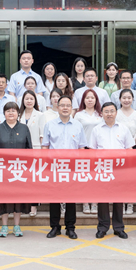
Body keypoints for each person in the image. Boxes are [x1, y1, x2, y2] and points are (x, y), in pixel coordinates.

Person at [42, 95, 87, 239]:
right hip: (55, 167)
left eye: (68, 105)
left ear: (72, 108)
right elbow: (45, 147)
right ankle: (55, 227)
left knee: (71, 199)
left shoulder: (78, 125)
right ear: (57, 107)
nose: (65, 108)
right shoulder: (50, 125)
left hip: (72, 167)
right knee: (54, 198)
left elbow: (82, 148)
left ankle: (70, 227)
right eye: (62, 105)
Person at [89, 102, 132, 239]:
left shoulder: (123, 129)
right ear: (101, 113)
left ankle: (119, 228)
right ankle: (103, 227)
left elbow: (129, 149)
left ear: (116, 113)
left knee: (119, 199)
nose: (109, 114)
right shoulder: (96, 130)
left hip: (120, 168)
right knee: (103, 199)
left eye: (112, 111)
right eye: (106, 111)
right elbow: (92, 150)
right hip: (103, 168)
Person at [0, 102, 32, 237]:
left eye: (14, 110)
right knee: (4, 198)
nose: (11, 113)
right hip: (3, 170)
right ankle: (4, 226)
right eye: (8, 111)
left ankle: (17, 226)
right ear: (4, 113)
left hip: (19, 170)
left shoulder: (24, 128)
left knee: (18, 198)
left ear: (18, 113)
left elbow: (29, 149)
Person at [116, 88, 136, 215]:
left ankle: (130, 203)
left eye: (129, 98)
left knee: (131, 177)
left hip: (133, 148)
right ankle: (121, 201)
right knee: (120, 178)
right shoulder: (116, 113)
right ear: (120, 99)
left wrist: (131, 143)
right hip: (118, 149)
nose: (126, 100)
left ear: (132, 99)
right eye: (124, 98)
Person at [18, 90, 42, 216]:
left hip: (35, 150)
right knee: (22, 179)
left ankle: (33, 206)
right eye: (26, 99)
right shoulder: (18, 115)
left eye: (31, 99)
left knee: (34, 180)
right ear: (23, 100)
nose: (29, 101)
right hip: (20, 152)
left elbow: (42, 135)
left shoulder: (40, 115)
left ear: (35, 101)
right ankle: (22, 205)